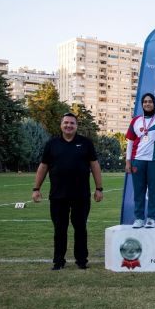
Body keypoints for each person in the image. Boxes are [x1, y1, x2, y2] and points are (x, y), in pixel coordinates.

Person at [32, 113, 103, 270]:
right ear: (61, 125)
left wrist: (99, 188)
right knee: (59, 229)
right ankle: (58, 261)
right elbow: (43, 167)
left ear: (76, 126)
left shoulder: (86, 143)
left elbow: (95, 165)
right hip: (58, 195)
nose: (69, 125)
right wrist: (36, 188)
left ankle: (82, 260)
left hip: (81, 195)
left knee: (80, 228)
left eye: (72, 123)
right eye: (66, 123)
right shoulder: (52, 144)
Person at [125, 93, 155, 229]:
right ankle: (139, 218)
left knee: (154, 190)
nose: (147, 104)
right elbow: (130, 142)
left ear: (154, 104)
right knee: (139, 191)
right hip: (138, 160)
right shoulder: (136, 121)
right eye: (145, 102)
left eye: (150, 101)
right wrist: (128, 161)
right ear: (142, 104)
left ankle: (151, 218)